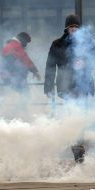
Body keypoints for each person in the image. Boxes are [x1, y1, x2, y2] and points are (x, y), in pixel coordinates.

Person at [44, 14, 95, 163]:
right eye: (70, 27)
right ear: (66, 28)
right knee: (73, 116)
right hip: (67, 86)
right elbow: (50, 65)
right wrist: (48, 86)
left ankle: (80, 147)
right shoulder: (58, 44)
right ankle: (77, 149)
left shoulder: (87, 42)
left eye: (76, 27)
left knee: (82, 116)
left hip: (84, 85)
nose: (73, 29)